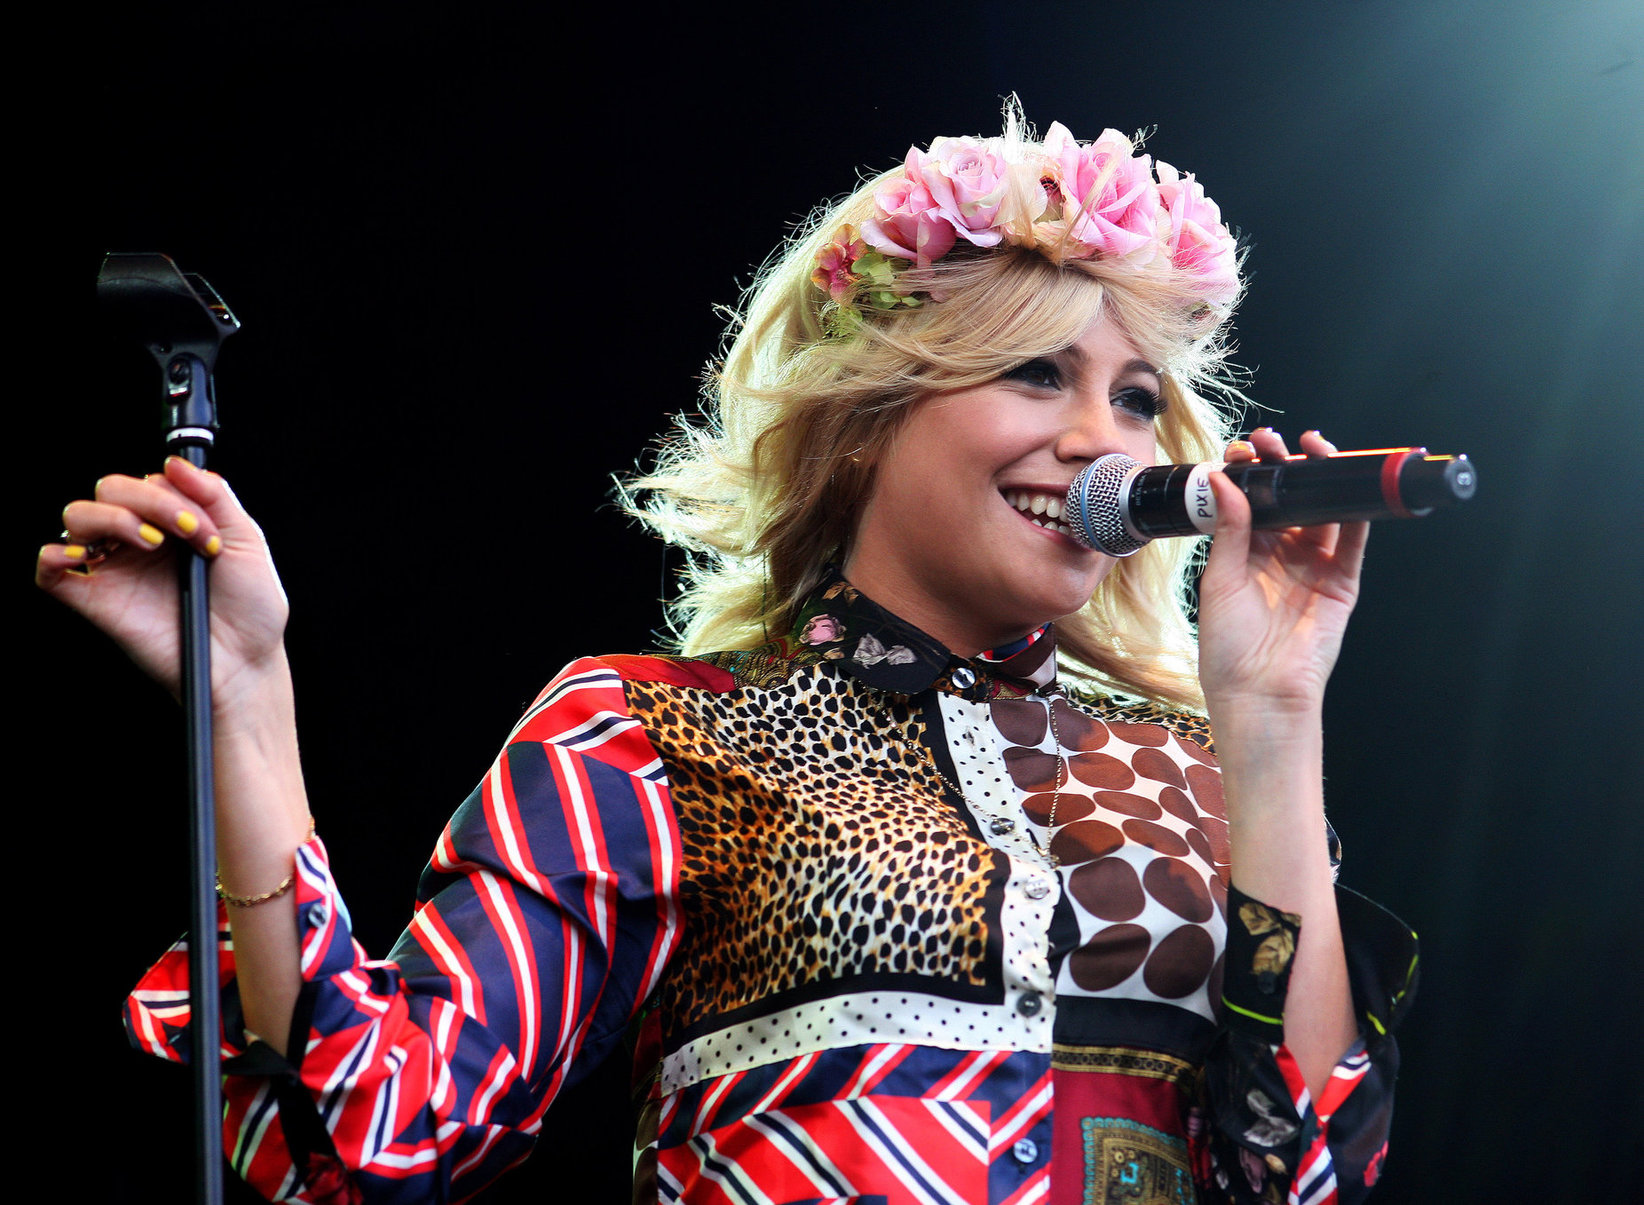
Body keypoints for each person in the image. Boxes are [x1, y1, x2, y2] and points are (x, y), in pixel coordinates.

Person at [40, 103, 1416, 1204]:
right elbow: (384, 1129)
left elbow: (1306, 1169)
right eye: (1035, 372)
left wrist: (1274, 709)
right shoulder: (654, 734)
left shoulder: (1194, 771)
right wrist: (244, 702)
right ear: (874, 410)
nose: (1102, 441)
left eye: (1133, 398)